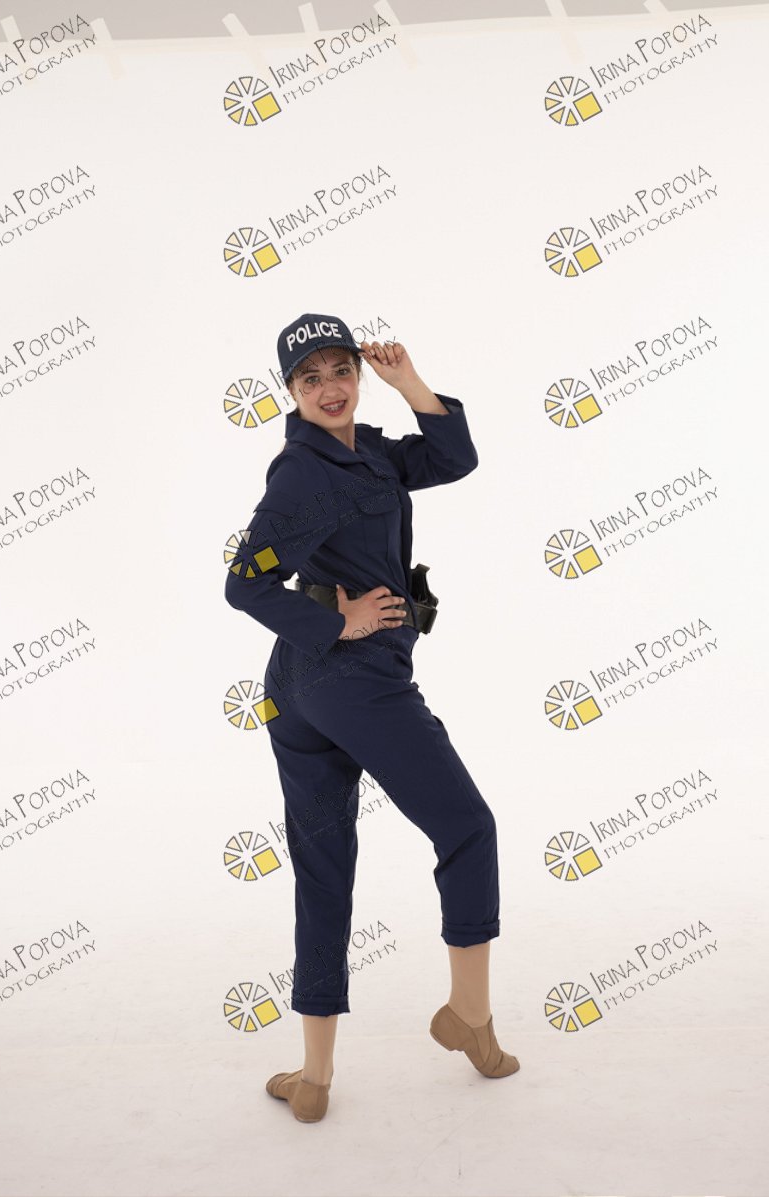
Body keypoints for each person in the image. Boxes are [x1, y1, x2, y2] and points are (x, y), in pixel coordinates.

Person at [224, 311, 520, 1123]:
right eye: (310, 377)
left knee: (323, 871)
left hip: (299, 687)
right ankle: (469, 1015)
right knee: (467, 826)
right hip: (348, 680)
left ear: (358, 375)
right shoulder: (301, 472)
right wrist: (338, 620)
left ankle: (314, 1075)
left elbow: (453, 457)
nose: (329, 388)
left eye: (340, 371)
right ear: (289, 389)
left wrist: (408, 381)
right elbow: (245, 583)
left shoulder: (372, 453)